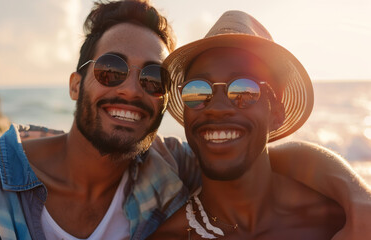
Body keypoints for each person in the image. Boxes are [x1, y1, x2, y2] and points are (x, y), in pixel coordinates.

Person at [0, 1, 369, 240]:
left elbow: (262, 156)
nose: (130, 89)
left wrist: (357, 196)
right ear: (75, 84)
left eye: (151, 78)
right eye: (111, 70)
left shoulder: (166, 169)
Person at [149, 10, 370, 239]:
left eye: (243, 89)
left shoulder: (343, 222)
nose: (217, 107)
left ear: (276, 114)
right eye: (199, 90)